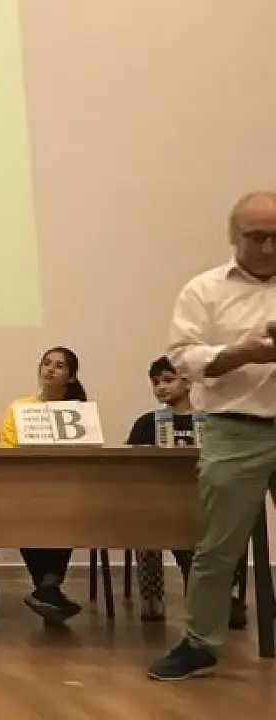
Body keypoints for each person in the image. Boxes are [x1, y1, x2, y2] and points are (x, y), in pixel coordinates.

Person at [148, 191, 276, 682]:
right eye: (256, 237)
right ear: (232, 235)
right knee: (219, 547)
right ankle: (200, 643)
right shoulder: (204, 290)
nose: (267, 247)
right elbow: (183, 357)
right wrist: (243, 353)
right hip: (235, 428)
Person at [125, 356, 248, 625]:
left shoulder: (210, 421)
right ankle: (163, 597)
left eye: (168, 380)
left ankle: (220, 594)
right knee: (153, 523)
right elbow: (132, 467)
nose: (161, 387)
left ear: (189, 382)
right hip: (161, 503)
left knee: (228, 520)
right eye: (155, 382)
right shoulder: (147, 423)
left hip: (205, 500)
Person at [0, 346, 87, 625]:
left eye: (59, 366)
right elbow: (7, 448)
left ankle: (47, 589)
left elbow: (86, 453)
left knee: (67, 508)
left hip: (63, 487)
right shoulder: (20, 407)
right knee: (28, 508)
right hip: (25, 484)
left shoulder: (80, 411)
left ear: (71, 376)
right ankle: (48, 588)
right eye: (46, 363)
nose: (50, 369)